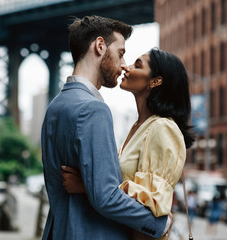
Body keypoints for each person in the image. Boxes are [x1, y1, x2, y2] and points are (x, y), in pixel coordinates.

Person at [41, 16, 170, 240]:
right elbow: (106, 197)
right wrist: (159, 223)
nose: (123, 64)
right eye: (120, 53)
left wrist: (87, 185)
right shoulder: (94, 110)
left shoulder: (55, 106)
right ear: (100, 46)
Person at [62, 48, 195, 239]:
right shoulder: (137, 128)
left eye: (137, 65)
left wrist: (88, 187)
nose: (126, 66)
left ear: (155, 81)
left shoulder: (163, 128)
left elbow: (152, 206)